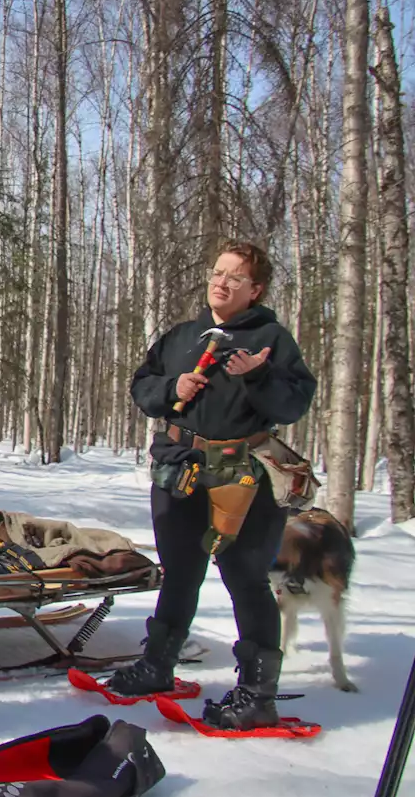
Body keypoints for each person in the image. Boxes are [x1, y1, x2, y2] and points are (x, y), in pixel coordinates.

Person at [107, 241, 317, 731]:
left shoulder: (271, 339)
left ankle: (258, 694)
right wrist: (170, 390)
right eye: (218, 272)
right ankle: (157, 665)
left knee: (245, 576)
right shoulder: (183, 336)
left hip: (243, 476)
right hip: (181, 468)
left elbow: (292, 405)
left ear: (255, 289)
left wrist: (259, 374)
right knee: (179, 570)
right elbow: (143, 385)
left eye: (235, 277)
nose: (221, 282)